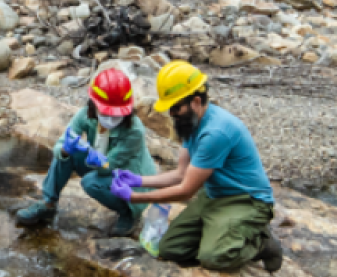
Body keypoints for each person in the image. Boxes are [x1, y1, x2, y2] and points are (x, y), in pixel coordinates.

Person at [109, 61, 282, 272]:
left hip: (247, 200)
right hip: (214, 196)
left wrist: (135, 196)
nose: (171, 114)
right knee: (170, 249)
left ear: (196, 101)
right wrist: (138, 180)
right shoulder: (190, 124)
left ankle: (262, 242)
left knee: (214, 258)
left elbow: (186, 190)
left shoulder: (215, 133)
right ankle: (219, 233)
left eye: (176, 107)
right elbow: (181, 174)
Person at [14, 68, 159, 236]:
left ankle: (129, 213)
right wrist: (65, 150)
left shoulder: (134, 131)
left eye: (116, 114)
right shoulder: (85, 116)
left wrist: (98, 161)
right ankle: (48, 204)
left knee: (91, 182)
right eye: (106, 113)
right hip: (102, 164)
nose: (111, 119)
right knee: (66, 156)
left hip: (129, 176)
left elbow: (110, 165)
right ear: (94, 104)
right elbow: (61, 144)